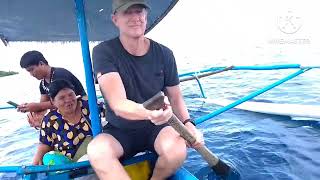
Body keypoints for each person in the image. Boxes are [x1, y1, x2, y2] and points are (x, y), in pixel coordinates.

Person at [87, 0, 204, 179]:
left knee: (177, 149)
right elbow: (118, 103)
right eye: (127, 12)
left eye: (139, 11)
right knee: (97, 151)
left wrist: (189, 124)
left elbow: (175, 97)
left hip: (157, 128)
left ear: (146, 16)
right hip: (121, 130)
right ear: (115, 19)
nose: (135, 17)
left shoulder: (165, 54)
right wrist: (148, 112)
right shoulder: (103, 52)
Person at [18, 50, 86, 128]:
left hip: (82, 111)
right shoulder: (43, 84)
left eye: (31, 69)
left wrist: (36, 106)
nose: (31, 74)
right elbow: (43, 104)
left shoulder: (59, 74)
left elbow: (65, 100)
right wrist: (32, 111)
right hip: (67, 114)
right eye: (28, 71)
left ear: (41, 63)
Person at [32, 79, 92, 165]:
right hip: (68, 164)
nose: (68, 100)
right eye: (62, 98)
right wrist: (36, 162)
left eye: (71, 95)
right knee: (48, 158)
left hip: (95, 156)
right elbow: (45, 144)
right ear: (53, 102)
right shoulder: (50, 120)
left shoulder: (89, 105)